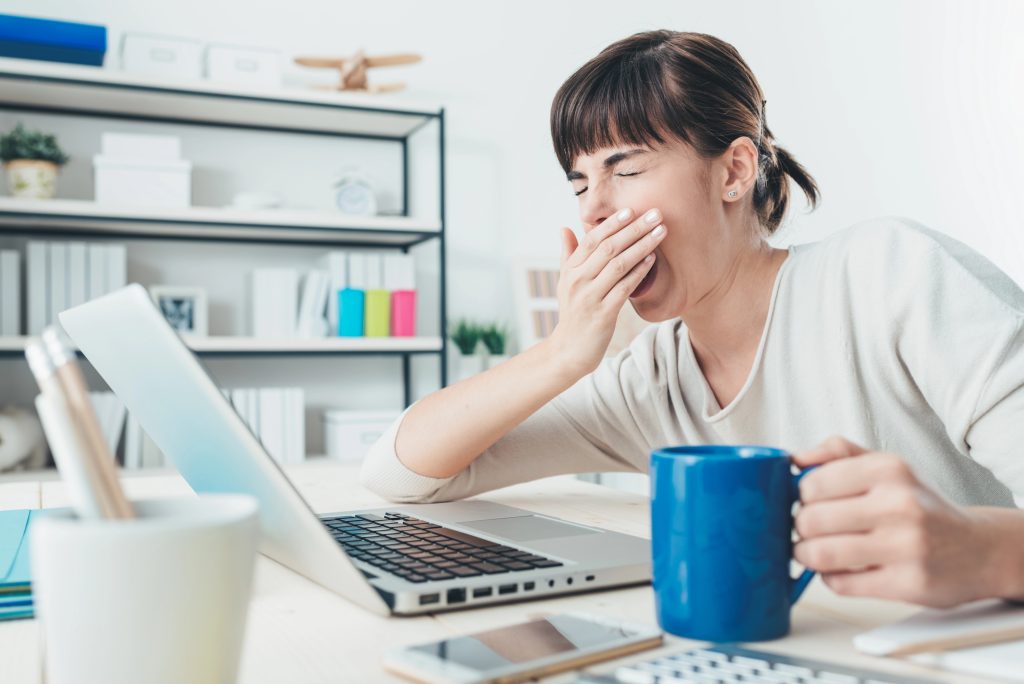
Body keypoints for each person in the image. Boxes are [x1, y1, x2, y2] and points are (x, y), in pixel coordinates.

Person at [361, 30, 1024, 608]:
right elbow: (404, 472)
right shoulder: (649, 382)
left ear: (735, 171)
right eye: (580, 184)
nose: (593, 210)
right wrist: (562, 353)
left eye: (625, 167)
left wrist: (980, 551)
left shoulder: (890, 273)